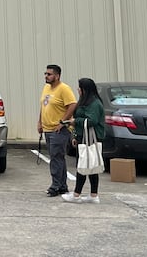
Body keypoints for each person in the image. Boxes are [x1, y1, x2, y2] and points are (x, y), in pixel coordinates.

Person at [62, 78, 106, 204]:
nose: (78, 89)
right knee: (90, 165)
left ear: (85, 89)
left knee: (83, 165)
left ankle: (76, 194)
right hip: (83, 137)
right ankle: (93, 195)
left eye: (79, 87)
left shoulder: (95, 104)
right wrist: (75, 135)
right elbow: (78, 119)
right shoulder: (84, 102)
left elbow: (92, 121)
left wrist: (76, 122)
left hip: (91, 138)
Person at [38, 64, 77, 197]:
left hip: (58, 130)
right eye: (45, 73)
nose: (46, 76)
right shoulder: (46, 88)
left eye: (49, 74)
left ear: (57, 76)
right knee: (58, 157)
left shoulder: (64, 89)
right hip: (47, 128)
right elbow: (43, 106)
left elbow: (72, 104)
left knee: (55, 157)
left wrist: (63, 122)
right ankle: (62, 186)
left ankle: (55, 186)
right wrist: (39, 122)